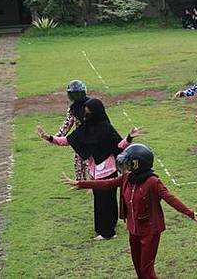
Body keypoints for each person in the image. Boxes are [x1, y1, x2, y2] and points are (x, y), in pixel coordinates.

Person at [62, 144, 197, 278]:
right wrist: (80, 184)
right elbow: (107, 183)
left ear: (137, 164)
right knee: (138, 269)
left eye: (129, 161)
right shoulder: (127, 178)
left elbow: (170, 199)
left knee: (146, 270)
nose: (125, 164)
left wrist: (191, 214)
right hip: (133, 230)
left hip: (150, 231)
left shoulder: (153, 182)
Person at [37, 98, 145, 240]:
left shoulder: (106, 128)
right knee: (105, 200)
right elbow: (67, 141)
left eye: (88, 112)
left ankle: (107, 233)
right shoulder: (85, 128)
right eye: (85, 111)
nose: (85, 114)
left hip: (108, 170)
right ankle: (110, 225)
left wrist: (129, 138)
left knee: (103, 202)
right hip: (96, 171)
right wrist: (49, 137)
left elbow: (119, 145)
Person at [49, 80, 91, 181]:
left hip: (92, 138)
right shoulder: (72, 108)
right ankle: (81, 182)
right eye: (73, 94)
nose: (75, 97)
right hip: (80, 139)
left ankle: (93, 182)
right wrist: (56, 138)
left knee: (90, 161)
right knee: (78, 161)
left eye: (77, 94)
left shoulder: (91, 105)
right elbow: (67, 124)